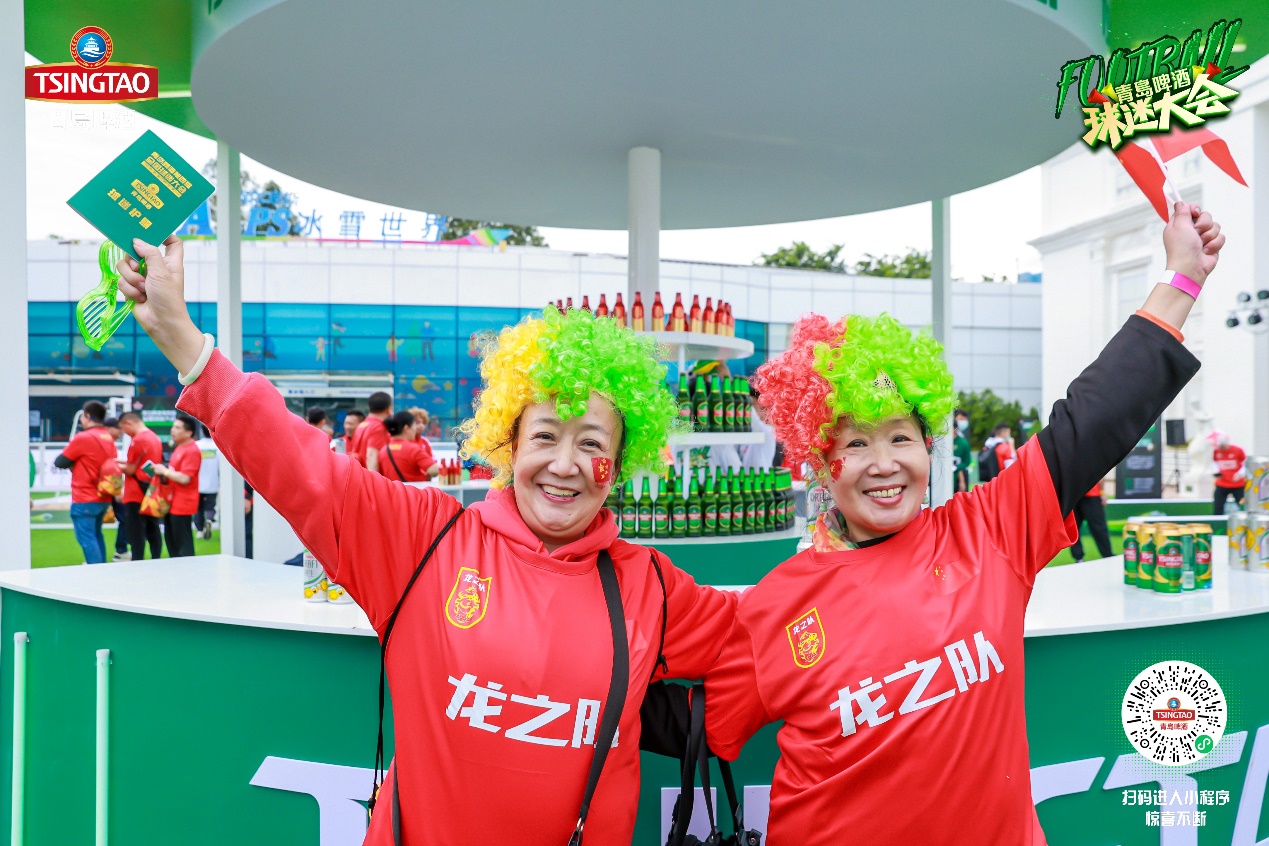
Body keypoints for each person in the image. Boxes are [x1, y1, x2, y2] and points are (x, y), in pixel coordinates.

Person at [116, 234, 737, 844]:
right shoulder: (425, 539)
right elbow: (300, 467)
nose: (565, 464)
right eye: (545, 436)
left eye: (592, 444)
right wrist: (184, 340)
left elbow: (767, 642)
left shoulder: (650, 585)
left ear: (619, 465)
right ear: (509, 445)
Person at [646, 202, 1223, 844]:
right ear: (821, 464)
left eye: (901, 436)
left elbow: (1094, 419)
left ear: (929, 448)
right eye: (855, 443)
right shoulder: (778, 604)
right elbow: (697, 722)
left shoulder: (990, 530)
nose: (883, 464)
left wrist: (1182, 277)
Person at [54, 400, 118, 564]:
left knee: (87, 538)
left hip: (85, 496)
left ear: (87, 416)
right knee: (96, 535)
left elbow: (60, 462)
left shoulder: (83, 437)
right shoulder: (108, 437)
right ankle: (101, 569)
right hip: (103, 495)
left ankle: (96, 572)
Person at [152, 414, 202, 558]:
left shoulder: (192, 450)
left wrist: (165, 471)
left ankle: (188, 570)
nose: (172, 430)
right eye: (173, 427)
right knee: (172, 542)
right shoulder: (180, 448)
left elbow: (185, 478)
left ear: (189, 433)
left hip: (183, 504)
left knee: (182, 545)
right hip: (172, 501)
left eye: (178, 428)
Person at [118, 411, 164, 559]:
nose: (125, 433)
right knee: (153, 528)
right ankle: (156, 559)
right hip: (150, 490)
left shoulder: (138, 440)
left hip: (135, 493)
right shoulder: (154, 437)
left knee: (136, 531)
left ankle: (137, 561)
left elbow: (131, 469)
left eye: (124, 429)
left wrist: (113, 466)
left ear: (128, 423)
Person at [378, 411, 440, 483]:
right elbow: (434, 470)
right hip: (413, 489)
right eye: (414, 425)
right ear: (406, 428)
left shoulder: (383, 450)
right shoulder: (413, 449)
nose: (415, 429)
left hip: (391, 489)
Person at [103, 417, 131, 561]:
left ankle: (121, 550)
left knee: (124, 518)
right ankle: (120, 551)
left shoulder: (109, 444)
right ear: (109, 428)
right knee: (95, 523)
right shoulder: (104, 443)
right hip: (104, 489)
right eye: (118, 428)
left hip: (109, 488)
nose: (122, 431)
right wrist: (117, 489)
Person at [1069, 478, 1113, 561]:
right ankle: (1078, 557)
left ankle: (1108, 555)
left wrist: (1102, 493)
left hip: (1092, 495)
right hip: (1073, 496)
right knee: (1073, 528)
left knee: (1099, 527)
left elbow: (1100, 475)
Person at [350, 392, 392, 473]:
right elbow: (372, 456)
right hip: (369, 476)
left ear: (369, 407)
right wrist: (375, 479)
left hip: (359, 473)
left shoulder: (361, 425)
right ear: (389, 409)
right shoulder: (378, 427)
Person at [193, 427, 220, 540]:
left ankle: (200, 530)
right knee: (210, 507)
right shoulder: (217, 447)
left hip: (198, 484)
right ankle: (209, 520)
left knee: (198, 508)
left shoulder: (196, 446)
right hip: (213, 483)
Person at [1212, 432, 1246, 514]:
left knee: (1242, 505)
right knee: (1218, 506)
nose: (1221, 448)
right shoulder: (1216, 452)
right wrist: (1216, 472)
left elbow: (1245, 464)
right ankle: (1218, 520)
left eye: (1222, 446)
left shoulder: (1238, 450)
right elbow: (1214, 463)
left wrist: (1240, 474)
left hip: (1238, 484)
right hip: (1222, 483)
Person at [953, 408, 972, 492]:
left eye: (965, 420)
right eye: (961, 419)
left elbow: (965, 461)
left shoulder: (963, 441)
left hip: (959, 474)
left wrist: (962, 480)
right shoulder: (943, 440)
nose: (963, 422)